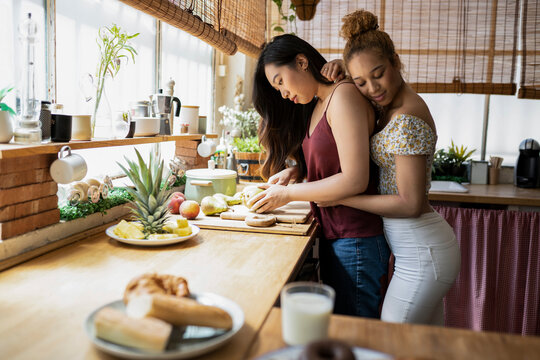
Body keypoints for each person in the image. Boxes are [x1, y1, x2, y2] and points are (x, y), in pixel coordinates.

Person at [317, 10, 461, 325]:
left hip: (424, 254)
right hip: (418, 251)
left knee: (391, 343)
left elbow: (410, 204)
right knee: (422, 347)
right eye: (362, 82)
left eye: (378, 73)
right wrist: (344, 71)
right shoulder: (388, 106)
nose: (372, 88)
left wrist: (341, 197)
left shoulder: (407, 117)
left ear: (395, 60)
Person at [249, 34, 390, 318]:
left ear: (301, 62)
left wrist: (286, 195)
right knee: (341, 330)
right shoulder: (319, 103)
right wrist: (297, 171)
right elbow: (334, 157)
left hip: (356, 239)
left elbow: (354, 179)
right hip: (337, 235)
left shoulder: (343, 95)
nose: (282, 93)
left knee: (355, 332)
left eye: (280, 81)